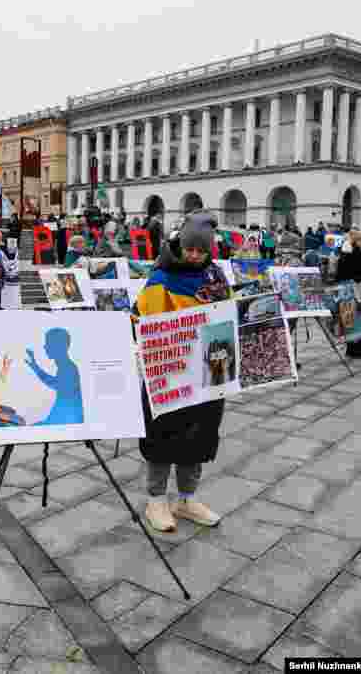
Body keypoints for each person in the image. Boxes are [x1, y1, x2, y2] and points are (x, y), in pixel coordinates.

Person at [132, 212, 230, 533]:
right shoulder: (162, 277)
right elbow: (143, 322)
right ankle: (156, 500)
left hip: (207, 370)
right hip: (170, 373)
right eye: (190, 249)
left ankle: (187, 499)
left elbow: (226, 313)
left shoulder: (214, 276)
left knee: (199, 436)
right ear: (180, 244)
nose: (194, 255)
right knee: (164, 435)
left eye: (201, 251)